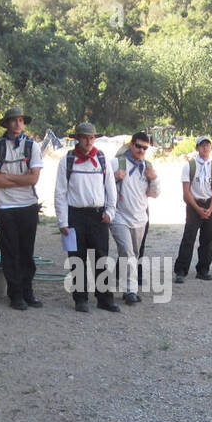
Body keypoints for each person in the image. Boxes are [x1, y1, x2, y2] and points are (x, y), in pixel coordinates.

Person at [54, 121, 119, 313]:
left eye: (91, 137)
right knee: (77, 258)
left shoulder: (101, 159)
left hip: (98, 215)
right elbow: (60, 192)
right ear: (77, 139)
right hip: (75, 215)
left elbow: (111, 188)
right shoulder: (67, 161)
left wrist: (110, 211)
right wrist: (62, 221)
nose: (88, 141)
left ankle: (104, 298)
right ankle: (80, 298)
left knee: (102, 257)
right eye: (84, 137)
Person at [0, 105, 44, 310]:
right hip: (4, 205)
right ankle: (15, 294)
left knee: (27, 251)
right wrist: (22, 179)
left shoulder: (32, 146)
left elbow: (34, 178)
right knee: (10, 251)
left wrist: (6, 176)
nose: (17, 124)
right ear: (7, 123)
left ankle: (28, 291)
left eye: (20, 120)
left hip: (27, 204)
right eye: (13, 120)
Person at [111, 132, 160, 305]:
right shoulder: (116, 163)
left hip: (140, 217)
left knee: (135, 253)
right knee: (127, 252)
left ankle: (127, 287)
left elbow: (154, 194)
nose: (141, 150)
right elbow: (103, 186)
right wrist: (115, 178)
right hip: (119, 215)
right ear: (131, 144)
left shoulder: (148, 167)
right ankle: (130, 290)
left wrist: (153, 180)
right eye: (138, 146)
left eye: (145, 148)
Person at [173, 136, 212, 283]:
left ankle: (203, 269)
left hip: (209, 205)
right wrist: (198, 208)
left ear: (211, 148)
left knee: (207, 239)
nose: (205, 148)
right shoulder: (190, 166)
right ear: (197, 148)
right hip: (194, 205)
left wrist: (210, 208)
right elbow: (186, 192)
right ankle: (181, 270)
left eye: (208, 145)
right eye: (202, 145)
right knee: (189, 238)